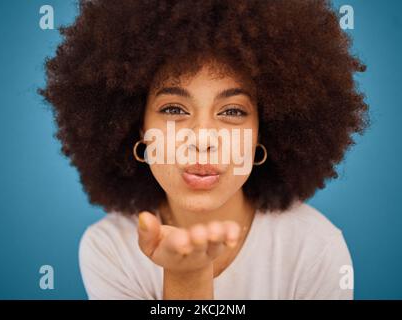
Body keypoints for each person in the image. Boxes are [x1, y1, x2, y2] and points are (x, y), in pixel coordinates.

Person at [39, 0, 369, 299]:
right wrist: (186, 277)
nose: (202, 139)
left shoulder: (315, 248)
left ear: (262, 134)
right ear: (137, 128)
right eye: (173, 109)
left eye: (233, 111)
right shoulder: (110, 248)